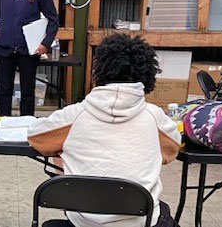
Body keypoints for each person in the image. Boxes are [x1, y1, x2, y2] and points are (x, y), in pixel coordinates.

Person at [27, 34, 181, 227]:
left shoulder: (75, 115)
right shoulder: (155, 117)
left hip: (84, 221)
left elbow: (35, 137)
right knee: (161, 210)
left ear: (97, 72)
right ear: (148, 74)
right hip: (140, 219)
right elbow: (171, 152)